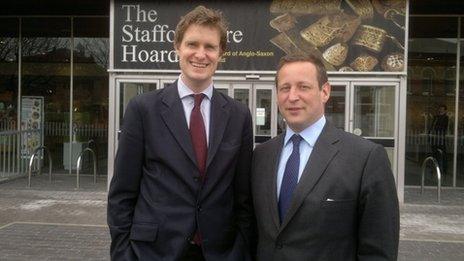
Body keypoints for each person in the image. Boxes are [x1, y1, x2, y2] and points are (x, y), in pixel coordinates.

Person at [108, 6, 255, 261]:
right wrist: (123, 254)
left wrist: (240, 251)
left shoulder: (238, 115)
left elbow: (243, 198)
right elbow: (122, 193)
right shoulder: (143, 109)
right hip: (152, 252)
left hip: (219, 252)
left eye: (210, 46)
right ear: (177, 47)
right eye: (192, 44)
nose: (201, 54)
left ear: (221, 53)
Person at [251, 54, 399, 260]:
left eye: (303, 87)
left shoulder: (366, 158)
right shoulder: (261, 155)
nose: (292, 96)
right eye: (285, 88)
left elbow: (379, 251)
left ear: (325, 91)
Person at [430, 104, 449, 173]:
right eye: (440, 108)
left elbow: (444, 127)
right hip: (435, 138)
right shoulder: (436, 117)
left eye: (442, 109)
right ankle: (434, 168)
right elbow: (432, 126)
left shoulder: (446, 118)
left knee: (443, 153)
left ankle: (444, 169)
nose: (440, 110)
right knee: (434, 153)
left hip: (441, 138)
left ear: (445, 110)